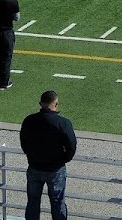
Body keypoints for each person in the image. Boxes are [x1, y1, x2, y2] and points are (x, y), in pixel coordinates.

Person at [20, 90, 77, 220]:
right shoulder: (63, 123)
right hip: (55, 169)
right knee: (57, 203)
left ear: (40, 103)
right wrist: (62, 160)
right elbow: (71, 147)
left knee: (33, 202)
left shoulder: (29, 120)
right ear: (56, 104)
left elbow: (24, 143)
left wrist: (32, 157)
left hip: (34, 167)